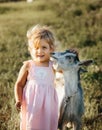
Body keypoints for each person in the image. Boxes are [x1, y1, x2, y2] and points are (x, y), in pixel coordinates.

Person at [14, 25, 58, 130]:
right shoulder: (28, 65)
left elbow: (66, 72)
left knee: (47, 125)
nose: (39, 51)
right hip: (31, 104)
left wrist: (73, 54)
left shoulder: (54, 65)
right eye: (36, 48)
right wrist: (18, 99)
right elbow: (19, 84)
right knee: (31, 124)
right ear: (30, 49)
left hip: (49, 105)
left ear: (51, 49)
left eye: (44, 47)